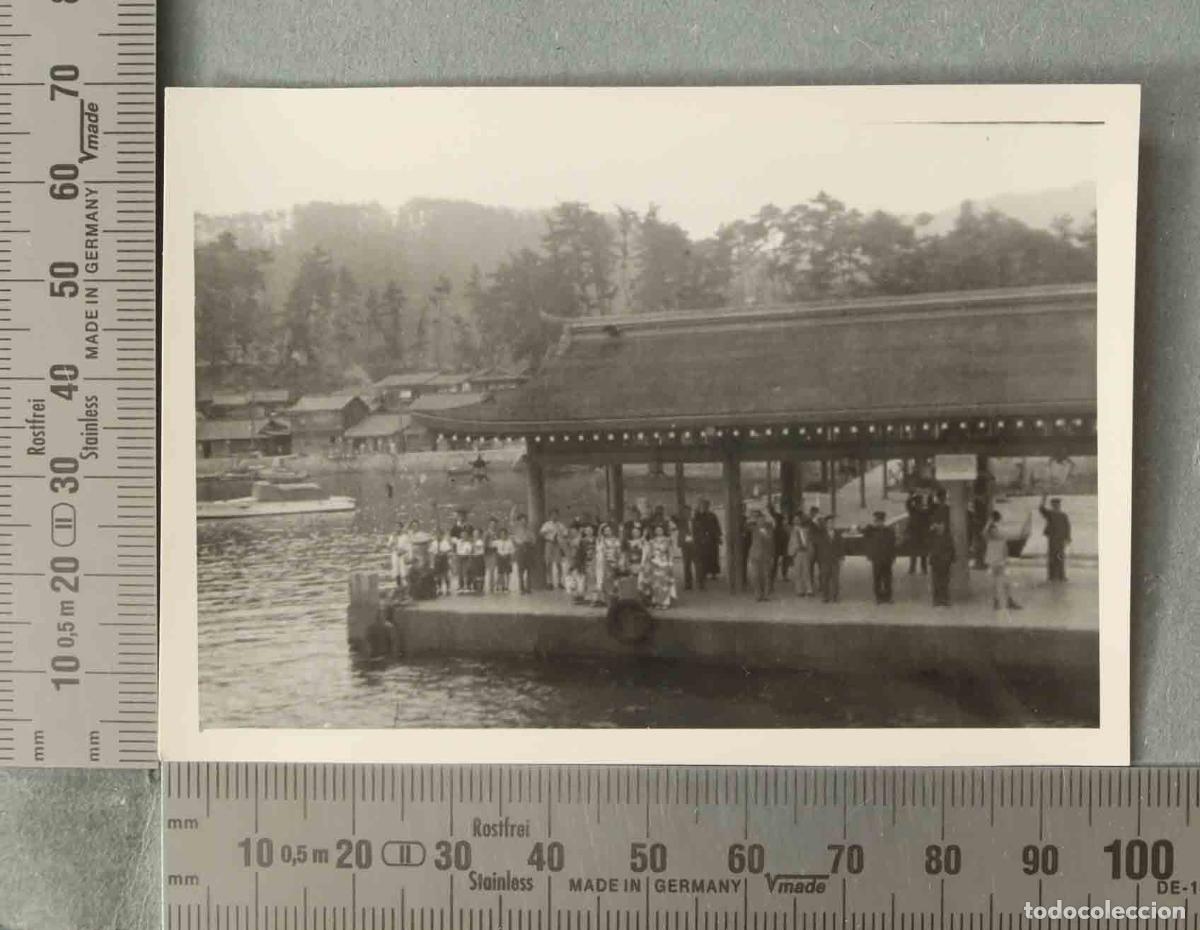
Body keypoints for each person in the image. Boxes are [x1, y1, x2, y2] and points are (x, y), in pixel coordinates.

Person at [984, 510, 1021, 611]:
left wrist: (1006, 557)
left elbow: (1005, 547)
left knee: (1002, 581)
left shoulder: (994, 532)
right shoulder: (994, 532)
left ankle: (1002, 601)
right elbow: (986, 533)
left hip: (997, 559)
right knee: (1001, 581)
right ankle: (1004, 601)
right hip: (996, 560)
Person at [862, 510, 897, 604]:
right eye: (876, 521)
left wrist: (893, 557)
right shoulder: (871, 531)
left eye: (879, 521)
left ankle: (888, 597)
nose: (878, 523)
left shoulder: (889, 531)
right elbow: (865, 535)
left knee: (887, 579)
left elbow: (893, 545)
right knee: (877, 579)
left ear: (883, 521)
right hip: (876, 559)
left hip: (887, 559)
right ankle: (878, 598)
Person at [1039, 493, 1072, 582]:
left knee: (1060, 557)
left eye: (1057, 504)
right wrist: (1043, 498)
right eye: (1054, 504)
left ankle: (1061, 576)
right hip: (1052, 539)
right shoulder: (1050, 514)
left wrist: (1068, 537)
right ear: (1052, 505)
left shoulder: (1063, 515)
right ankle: (1051, 576)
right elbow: (1041, 509)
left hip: (1060, 539)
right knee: (1052, 557)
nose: (1056, 505)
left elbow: (1067, 527)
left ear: (1059, 505)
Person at [645, 522, 677, 608]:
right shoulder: (652, 541)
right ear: (655, 531)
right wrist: (650, 558)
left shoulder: (667, 540)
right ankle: (657, 602)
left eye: (661, 530)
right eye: (657, 530)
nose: (659, 531)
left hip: (664, 562)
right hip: (655, 563)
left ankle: (665, 602)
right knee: (655, 583)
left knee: (664, 583)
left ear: (663, 531)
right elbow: (649, 553)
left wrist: (670, 562)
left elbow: (670, 552)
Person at [746, 511, 776, 602]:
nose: (761, 522)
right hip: (755, 555)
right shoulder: (753, 528)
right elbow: (747, 524)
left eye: (763, 520)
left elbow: (771, 542)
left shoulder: (769, 529)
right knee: (755, 576)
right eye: (759, 520)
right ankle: (758, 594)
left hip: (766, 556)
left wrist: (772, 556)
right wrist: (753, 517)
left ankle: (766, 595)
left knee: (766, 576)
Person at [693, 499, 722, 586]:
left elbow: (717, 526)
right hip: (702, 540)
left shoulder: (712, 515)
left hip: (712, 539)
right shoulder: (697, 516)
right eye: (703, 505)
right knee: (703, 557)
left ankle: (713, 573)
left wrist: (718, 536)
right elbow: (695, 528)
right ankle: (704, 573)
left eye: (706, 505)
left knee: (713, 556)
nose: (705, 507)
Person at [928, 520, 955, 607]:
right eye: (939, 525)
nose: (941, 527)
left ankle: (945, 599)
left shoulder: (948, 537)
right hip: (936, 562)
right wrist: (931, 529)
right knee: (936, 581)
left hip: (945, 562)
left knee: (945, 581)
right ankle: (936, 600)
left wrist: (949, 560)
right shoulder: (933, 536)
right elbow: (927, 541)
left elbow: (951, 549)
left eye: (942, 525)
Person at [540, 509, 566, 590]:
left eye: (556, 514)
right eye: (553, 514)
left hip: (557, 544)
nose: (555, 516)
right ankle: (549, 582)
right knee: (548, 563)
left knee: (559, 564)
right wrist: (548, 533)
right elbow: (541, 533)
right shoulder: (547, 524)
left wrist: (561, 535)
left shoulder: (560, 525)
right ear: (550, 515)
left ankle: (560, 582)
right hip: (549, 543)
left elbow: (565, 533)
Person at [905, 492, 930, 575]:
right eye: (917, 503)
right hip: (915, 535)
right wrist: (912, 496)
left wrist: (929, 496)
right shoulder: (914, 511)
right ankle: (914, 569)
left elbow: (908, 504)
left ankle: (922, 569)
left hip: (921, 535)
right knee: (914, 554)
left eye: (919, 503)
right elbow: (908, 504)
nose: (918, 505)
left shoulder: (923, 512)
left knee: (922, 554)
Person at [787, 513, 812, 597]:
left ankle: (809, 589)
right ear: (793, 521)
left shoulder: (805, 530)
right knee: (798, 572)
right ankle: (799, 590)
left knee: (806, 571)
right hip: (797, 553)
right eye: (795, 520)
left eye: (798, 519)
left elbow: (809, 541)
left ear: (801, 520)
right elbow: (790, 543)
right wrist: (791, 553)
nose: (796, 521)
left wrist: (809, 550)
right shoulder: (791, 531)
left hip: (805, 552)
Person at [511, 513, 535, 594]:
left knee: (529, 569)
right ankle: (521, 588)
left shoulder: (529, 531)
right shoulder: (516, 529)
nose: (524, 522)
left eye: (525, 520)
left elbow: (534, 540)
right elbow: (511, 520)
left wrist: (530, 544)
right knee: (520, 570)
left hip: (528, 549)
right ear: (519, 521)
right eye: (522, 520)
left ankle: (528, 588)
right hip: (520, 549)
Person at [678, 505, 698, 591]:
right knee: (686, 565)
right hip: (685, 546)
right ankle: (688, 584)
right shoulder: (681, 522)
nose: (687, 514)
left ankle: (700, 582)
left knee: (698, 564)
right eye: (685, 512)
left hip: (695, 545)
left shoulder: (695, 521)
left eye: (688, 512)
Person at [483, 516, 501, 594]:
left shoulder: (498, 533)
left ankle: (496, 585)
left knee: (498, 570)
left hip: (498, 552)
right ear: (489, 525)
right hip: (489, 553)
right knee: (491, 570)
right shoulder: (486, 533)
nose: (493, 526)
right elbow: (484, 544)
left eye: (494, 524)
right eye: (491, 524)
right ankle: (491, 587)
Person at [433, 530, 454, 596]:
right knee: (438, 575)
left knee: (446, 575)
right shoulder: (434, 543)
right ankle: (439, 589)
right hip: (437, 559)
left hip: (444, 559)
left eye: (439, 535)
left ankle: (448, 589)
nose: (438, 536)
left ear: (442, 535)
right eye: (437, 535)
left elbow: (448, 550)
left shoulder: (445, 542)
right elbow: (431, 551)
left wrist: (443, 553)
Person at [494, 528, 515, 593]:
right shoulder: (497, 542)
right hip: (500, 558)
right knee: (500, 573)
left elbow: (512, 552)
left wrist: (511, 561)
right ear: (500, 535)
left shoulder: (510, 542)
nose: (503, 536)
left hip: (507, 557)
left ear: (506, 535)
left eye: (504, 534)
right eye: (501, 534)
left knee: (508, 573)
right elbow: (490, 545)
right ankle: (499, 586)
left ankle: (507, 587)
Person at [454, 530, 474, 595]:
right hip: (459, 557)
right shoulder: (458, 541)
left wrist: (469, 558)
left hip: (466, 557)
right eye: (462, 535)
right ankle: (460, 586)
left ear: (467, 536)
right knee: (460, 572)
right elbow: (450, 539)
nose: (464, 536)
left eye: (465, 535)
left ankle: (467, 586)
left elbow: (469, 551)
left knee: (466, 572)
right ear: (460, 535)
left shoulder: (469, 543)